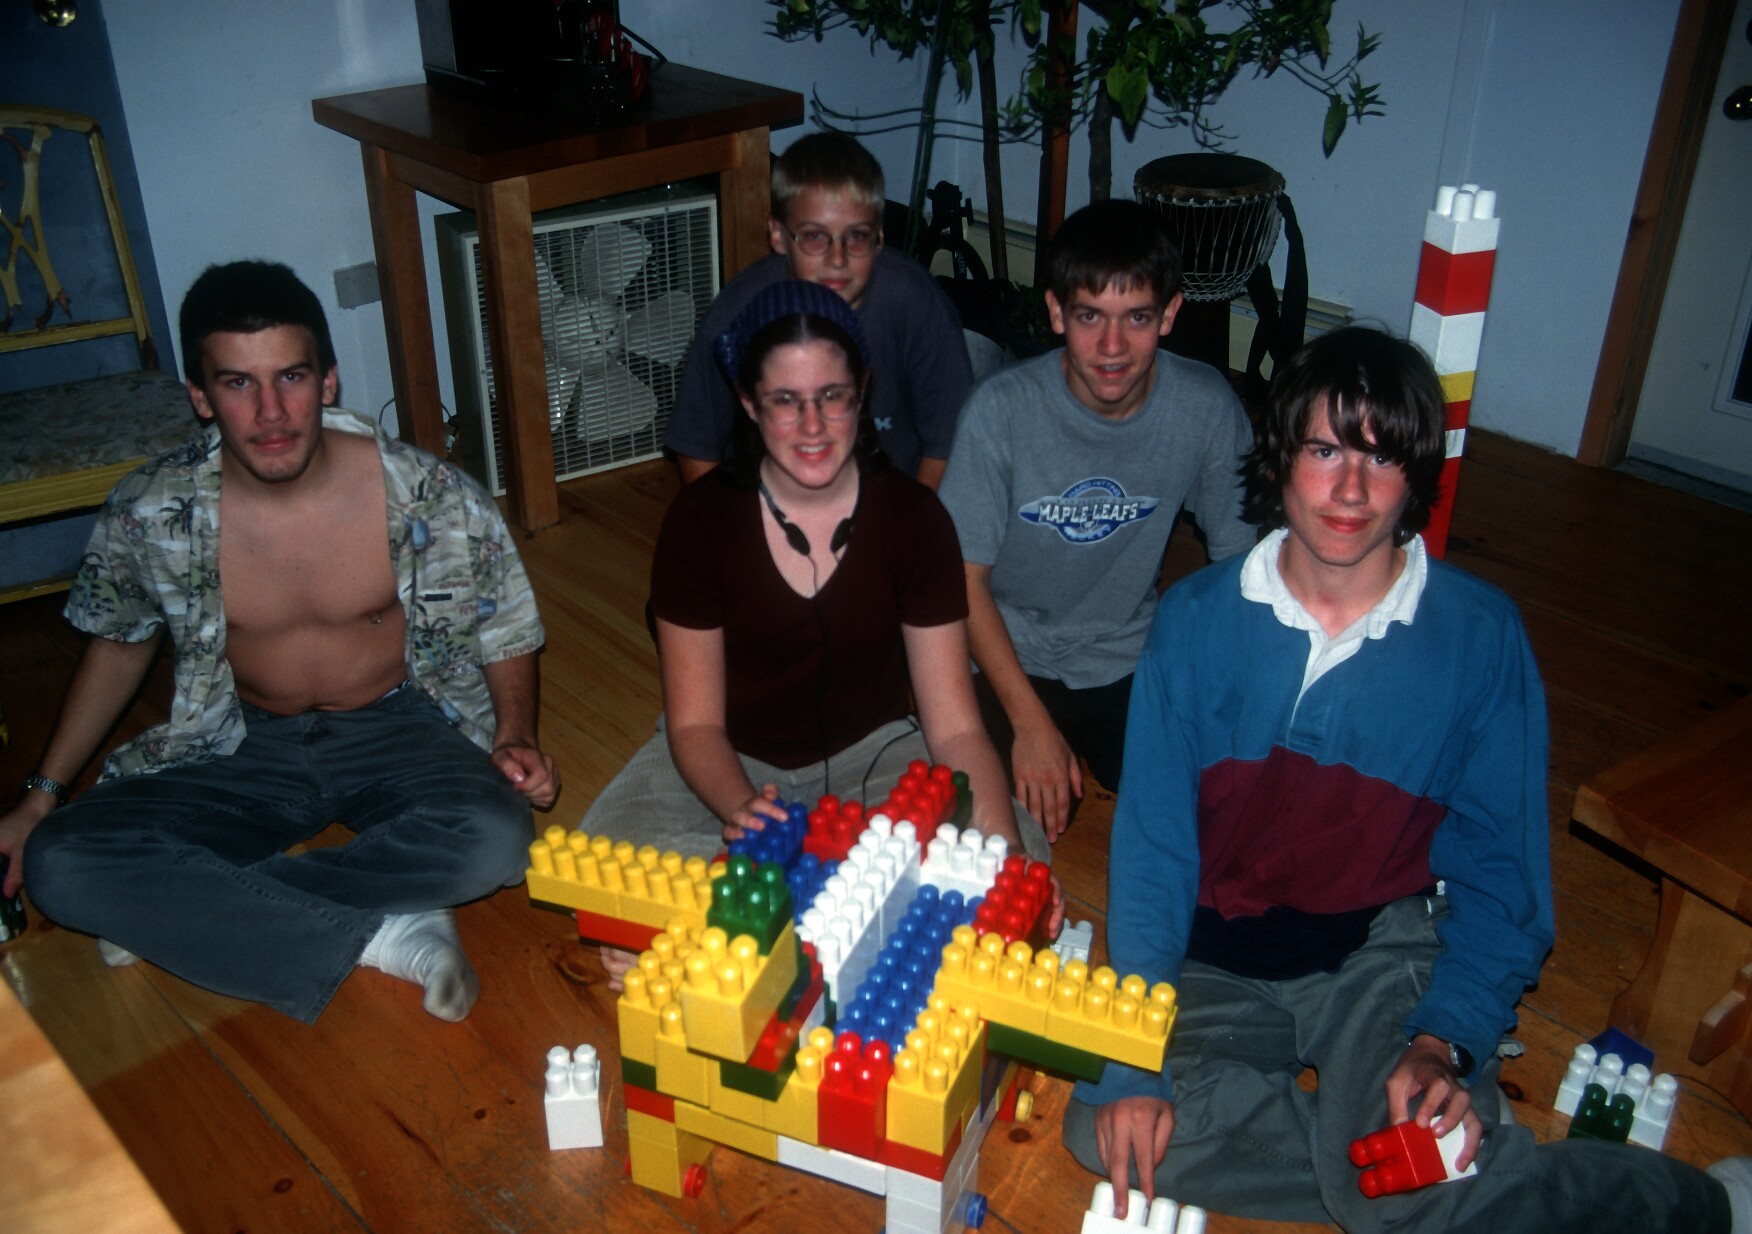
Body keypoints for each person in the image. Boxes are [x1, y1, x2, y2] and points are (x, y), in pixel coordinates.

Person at [1063, 326, 1752, 1234]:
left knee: (1396, 1164)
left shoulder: (1478, 637)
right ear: (1280, 459)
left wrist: (1444, 1039)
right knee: (1103, 1128)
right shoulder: (1195, 617)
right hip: (1216, 953)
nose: (1351, 489)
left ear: (1416, 477)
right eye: (1324, 450)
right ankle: (1423, 1175)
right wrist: (1135, 1065)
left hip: (1376, 949)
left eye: (1383, 459)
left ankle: (1708, 1207)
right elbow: (1154, 853)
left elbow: (1503, 872)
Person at [0, 261, 555, 1025]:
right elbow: (119, 646)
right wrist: (39, 797)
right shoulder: (152, 510)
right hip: (238, 739)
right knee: (58, 862)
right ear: (201, 397)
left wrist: (515, 733)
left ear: (327, 380)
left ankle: (182, 907)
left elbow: (504, 623)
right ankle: (391, 930)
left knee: (496, 839)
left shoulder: (427, 493)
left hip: (398, 724)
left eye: (291, 377)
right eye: (237, 383)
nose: (270, 412)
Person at [583, 280, 1050, 949]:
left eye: (832, 397)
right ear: (749, 402)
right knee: (608, 857)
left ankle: (740, 926)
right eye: (785, 401)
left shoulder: (916, 520)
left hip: (876, 755)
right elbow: (694, 723)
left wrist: (1004, 856)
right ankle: (811, 910)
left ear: (862, 392)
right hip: (728, 757)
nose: (812, 427)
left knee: (1014, 841)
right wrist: (745, 811)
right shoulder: (699, 522)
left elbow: (954, 729)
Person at [937, 199, 1254, 840]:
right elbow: (960, 583)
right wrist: (1030, 724)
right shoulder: (999, 411)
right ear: (1056, 312)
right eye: (1090, 317)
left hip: (1126, 653)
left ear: (1170, 314)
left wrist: (1217, 692)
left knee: (1215, 812)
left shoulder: (1206, 407)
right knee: (990, 834)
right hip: (1003, 649)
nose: (1112, 347)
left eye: (1137, 317)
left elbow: (1240, 567)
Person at [665, 132, 971, 490]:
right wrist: (728, 523)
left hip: (893, 500)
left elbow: (950, 443)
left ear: (879, 237)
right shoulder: (736, 313)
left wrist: (914, 519)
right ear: (778, 235)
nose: (837, 258)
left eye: (857, 236)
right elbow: (697, 444)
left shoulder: (915, 303)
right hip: (768, 503)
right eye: (814, 236)